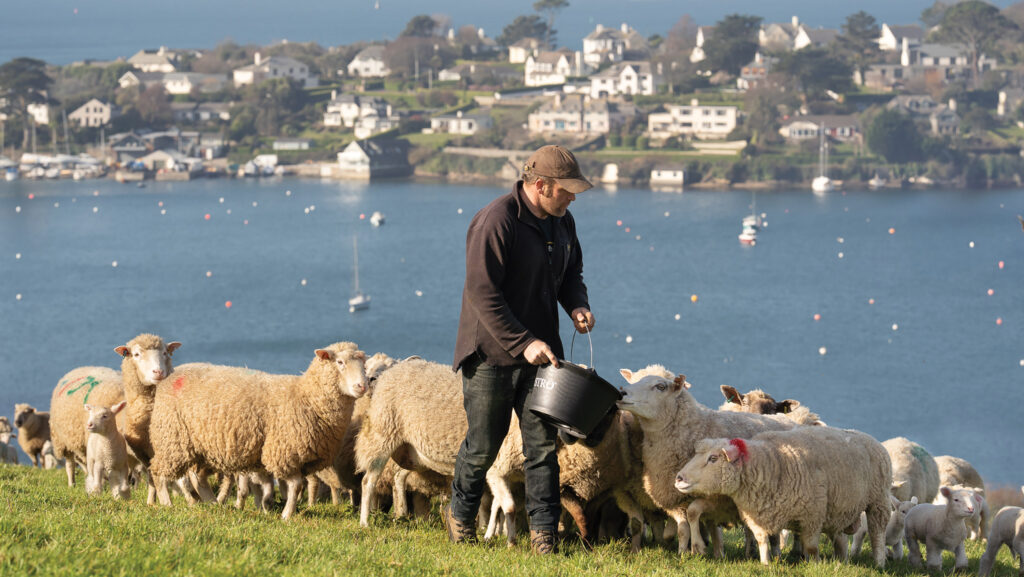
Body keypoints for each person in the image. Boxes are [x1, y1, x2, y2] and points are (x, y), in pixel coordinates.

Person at [446, 144, 596, 555]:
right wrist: (522, 342)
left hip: (541, 356)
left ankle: (544, 535)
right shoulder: (495, 222)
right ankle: (460, 520)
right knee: (482, 446)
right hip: (490, 356)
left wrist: (577, 304)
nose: (572, 196)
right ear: (541, 185)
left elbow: (571, 274)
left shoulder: (563, 223)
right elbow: (482, 293)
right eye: (566, 189)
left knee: (543, 448)